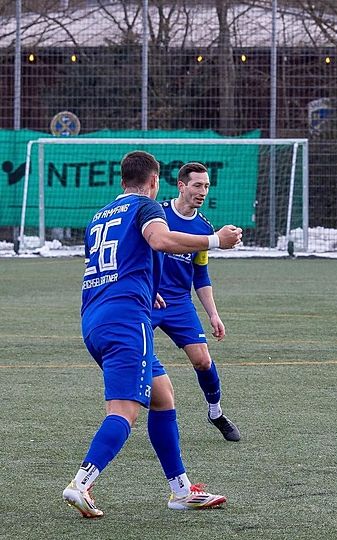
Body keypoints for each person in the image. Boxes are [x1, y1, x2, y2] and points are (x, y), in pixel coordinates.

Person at [62, 151, 242, 518]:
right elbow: (160, 241)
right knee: (124, 411)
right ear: (156, 182)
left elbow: (115, 264)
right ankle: (81, 483)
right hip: (127, 322)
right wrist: (215, 241)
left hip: (94, 319)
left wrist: (147, 287)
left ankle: (180, 491)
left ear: (122, 179)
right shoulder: (148, 208)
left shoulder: (99, 217)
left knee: (163, 396)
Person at [152, 162, 240, 442]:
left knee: (203, 360)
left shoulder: (204, 228)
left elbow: (200, 275)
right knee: (132, 353)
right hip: (148, 297)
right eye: (197, 185)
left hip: (178, 302)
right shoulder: (159, 215)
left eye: (206, 186)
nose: (202, 191)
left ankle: (215, 412)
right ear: (181, 186)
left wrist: (213, 314)